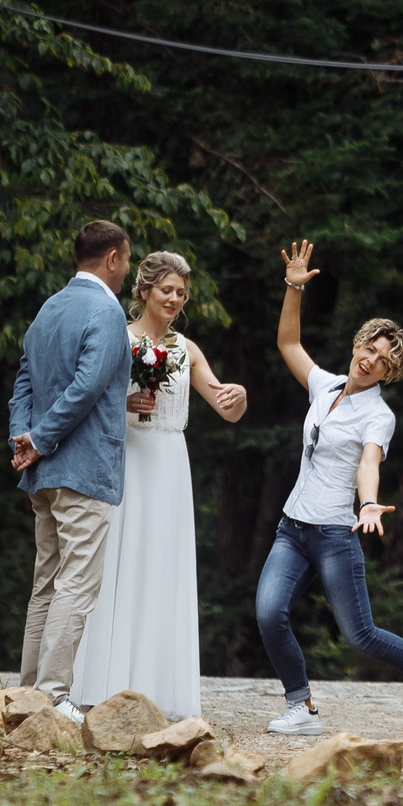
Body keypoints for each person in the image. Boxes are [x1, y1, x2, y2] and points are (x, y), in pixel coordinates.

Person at [256, 239, 403, 735]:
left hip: (335, 535)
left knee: (360, 636)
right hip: (292, 529)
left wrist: (371, 503)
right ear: (357, 345)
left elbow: (367, 464)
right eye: (369, 348)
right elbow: (289, 344)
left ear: (390, 372)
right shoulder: (326, 386)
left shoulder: (379, 416)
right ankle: (301, 707)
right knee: (270, 614)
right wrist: (294, 286)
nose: (371, 360)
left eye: (383, 359)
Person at [71, 250, 247, 719]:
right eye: (166, 290)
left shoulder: (186, 349)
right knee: (119, 563)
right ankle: (104, 683)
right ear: (144, 290)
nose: (174, 299)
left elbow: (224, 407)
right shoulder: (118, 338)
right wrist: (127, 403)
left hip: (170, 462)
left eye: (181, 293)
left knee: (162, 567)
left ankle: (157, 687)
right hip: (127, 458)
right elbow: (89, 399)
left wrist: (238, 397)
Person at [7, 219, 136, 721]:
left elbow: (23, 379)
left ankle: (27, 695)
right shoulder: (105, 311)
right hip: (84, 469)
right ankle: (54, 695)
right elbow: (84, 388)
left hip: (44, 474)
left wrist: (23, 436)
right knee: (76, 585)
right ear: (112, 259)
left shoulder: (49, 307)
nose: (126, 267)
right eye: (126, 259)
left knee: (46, 584)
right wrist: (36, 439)